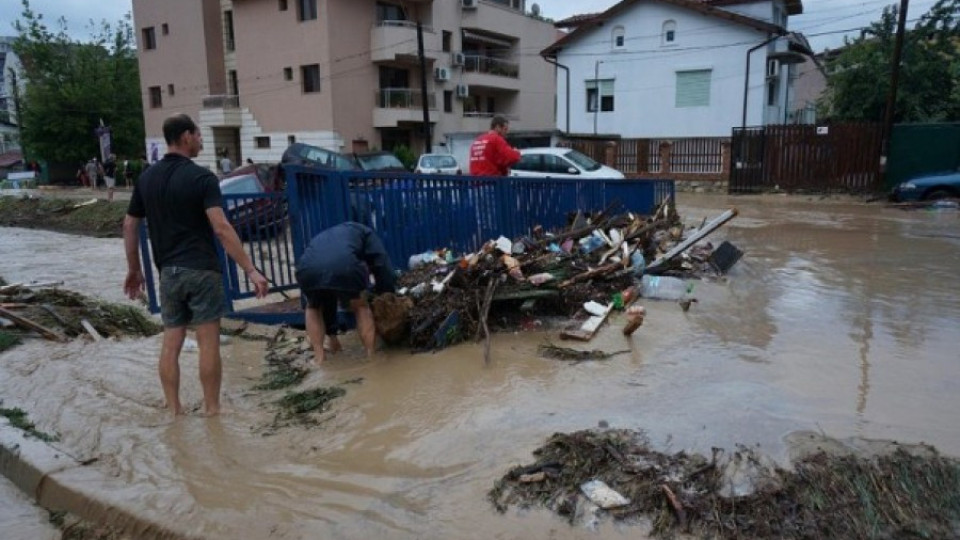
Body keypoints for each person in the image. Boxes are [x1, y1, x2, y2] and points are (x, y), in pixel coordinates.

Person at [122, 113, 268, 416]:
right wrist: (251, 270)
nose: (201, 141)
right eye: (199, 135)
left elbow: (129, 225)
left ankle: (174, 409)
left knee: (171, 343)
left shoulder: (146, 178)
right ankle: (212, 411)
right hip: (201, 270)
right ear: (186, 137)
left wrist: (134, 269)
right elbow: (221, 227)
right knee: (208, 343)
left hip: (168, 274)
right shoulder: (202, 178)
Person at [295, 222, 397, 365]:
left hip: (306, 269)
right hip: (345, 267)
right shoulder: (366, 233)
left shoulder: (326, 235)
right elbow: (382, 264)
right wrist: (387, 292)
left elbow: (328, 291)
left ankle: (320, 357)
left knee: (313, 306)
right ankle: (371, 356)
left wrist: (332, 332)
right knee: (360, 306)